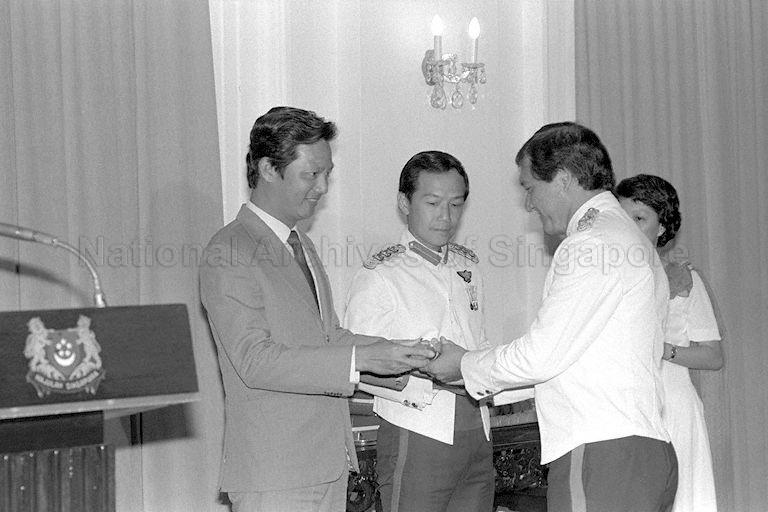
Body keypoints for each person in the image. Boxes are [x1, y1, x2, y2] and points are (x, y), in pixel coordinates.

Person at [424, 122, 679, 512]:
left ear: (561, 180)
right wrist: (473, 380)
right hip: (638, 452)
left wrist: (464, 363)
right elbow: (577, 362)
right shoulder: (627, 238)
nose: (528, 204)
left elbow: (543, 353)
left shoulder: (590, 244)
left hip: (601, 456)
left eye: (529, 188)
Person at [199, 106, 435, 512]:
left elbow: (329, 338)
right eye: (312, 174)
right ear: (269, 169)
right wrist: (362, 358)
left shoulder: (301, 245)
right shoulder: (230, 250)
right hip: (276, 473)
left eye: (327, 173)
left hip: (326, 464)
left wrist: (399, 353)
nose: (323, 187)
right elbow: (255, 361)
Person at [344, 151, 494, 512]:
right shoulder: (382, 274)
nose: (446, 216)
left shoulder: (466, 265)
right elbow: (354, 365)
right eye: (433, 203)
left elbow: (480, 341)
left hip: (479, 430)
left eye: (456, 204)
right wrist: (426, 383)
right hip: (420, 426)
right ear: (404, 203)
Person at [616, 174, 723, 512]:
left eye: (639, 218)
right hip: (622, 406)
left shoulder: (683, 278)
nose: (629, 228)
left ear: (662, 227)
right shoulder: (601, 277)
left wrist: (663, 350)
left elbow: (712, 355)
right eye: (622, 218)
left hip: (673, 406)